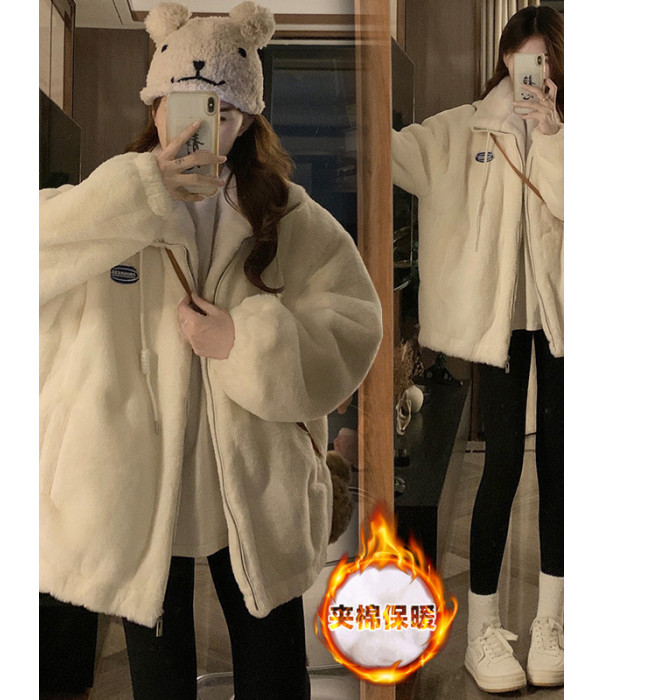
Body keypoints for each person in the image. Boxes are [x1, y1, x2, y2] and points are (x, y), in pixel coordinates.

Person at [39, 3, 382, 699]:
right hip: (137, 481)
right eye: (186, 103)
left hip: (253, 485)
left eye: (223, 111)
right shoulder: (105, 203)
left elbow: (354, 324)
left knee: (274, 673)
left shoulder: (285, 214)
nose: (203, 125)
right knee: (159, 680)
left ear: (248, 120)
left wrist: (242, 343)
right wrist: (137, 193)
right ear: (156, 105)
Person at [391, 6, 564, 694]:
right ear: (504, 60)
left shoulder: (574, 133)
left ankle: (552, 622)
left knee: (560, 465)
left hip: (564, 316)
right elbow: (394, 152)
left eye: (544, 59)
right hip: (499, 322)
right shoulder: (464, 128)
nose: (532, 73)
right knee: (502, 464)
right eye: (523, 59)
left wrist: (552, 134)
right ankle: (483, 630)